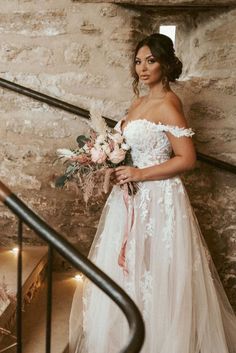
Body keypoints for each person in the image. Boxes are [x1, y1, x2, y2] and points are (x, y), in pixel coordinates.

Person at [69, 33, 236, 353]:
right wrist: (108, 158)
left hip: (159, 198)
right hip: (129, 196)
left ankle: (158, 342)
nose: (142, 68)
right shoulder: (138, 102)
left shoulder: (169, 104)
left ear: (166, 64)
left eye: (151, 61)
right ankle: (124, 337)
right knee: (127, 267)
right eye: (137, 61)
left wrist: (139, 173)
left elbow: (187, 159)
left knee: (155, 269)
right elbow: (126, 144)